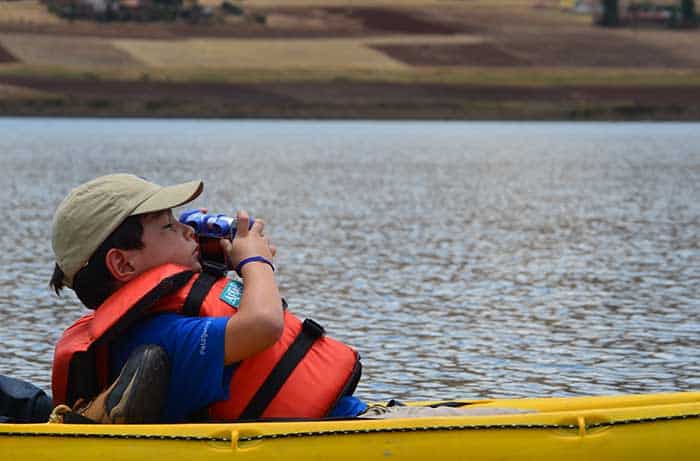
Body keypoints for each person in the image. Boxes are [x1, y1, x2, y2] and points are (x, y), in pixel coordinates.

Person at [49, 174, 365, 423]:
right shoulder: (163, 336)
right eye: (169, 226)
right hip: (338, 425)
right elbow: (264, 325)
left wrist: (209, 266)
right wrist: (256, 262)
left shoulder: (155, 321)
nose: (188, 231)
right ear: (123, 264)